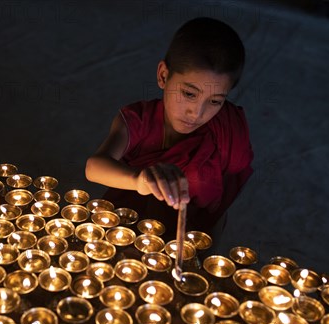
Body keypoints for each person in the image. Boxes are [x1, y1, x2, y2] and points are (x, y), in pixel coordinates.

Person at [85, 17, 253, 242]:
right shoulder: (139, 120)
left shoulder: (226, 129)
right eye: (189, 94)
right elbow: (94, 167)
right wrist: (139, 181)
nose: (197, 113)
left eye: (215, 101)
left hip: (188, 239)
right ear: (163, 75)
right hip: (128, 228)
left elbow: (218, 206)